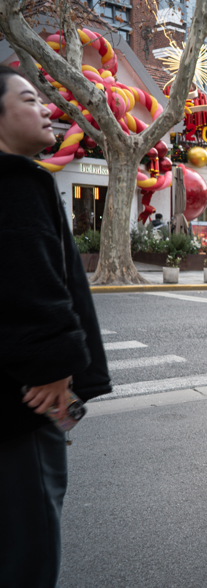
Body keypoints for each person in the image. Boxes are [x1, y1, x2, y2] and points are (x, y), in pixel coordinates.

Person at [0, 65, 112, 588]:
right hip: (23, 398)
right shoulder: (17, 182)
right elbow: (31, 281)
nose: (47, 108)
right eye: (29, 99)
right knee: (30, 541)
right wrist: (53, 366)